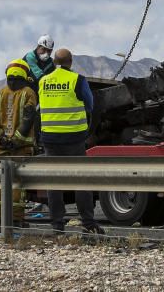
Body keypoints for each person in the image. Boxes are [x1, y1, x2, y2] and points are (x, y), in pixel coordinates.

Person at [38, 48, 103, 235]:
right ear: (70, 62)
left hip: (50, 138)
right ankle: (88, 223)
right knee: (80, 180)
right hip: (74, 137)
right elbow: (90, 105)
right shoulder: (77, 80)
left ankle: (57, 224)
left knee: (54, 182)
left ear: (55, 62)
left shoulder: (43, 81)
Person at [0, 59, 37, 229]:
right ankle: (15, 219)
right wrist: (15, 140)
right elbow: (28, 118)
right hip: (20, 149)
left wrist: (0, 138)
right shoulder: (29, 92)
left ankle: (0, 218)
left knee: (1, 184)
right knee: (17, 185)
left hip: (0, 149)